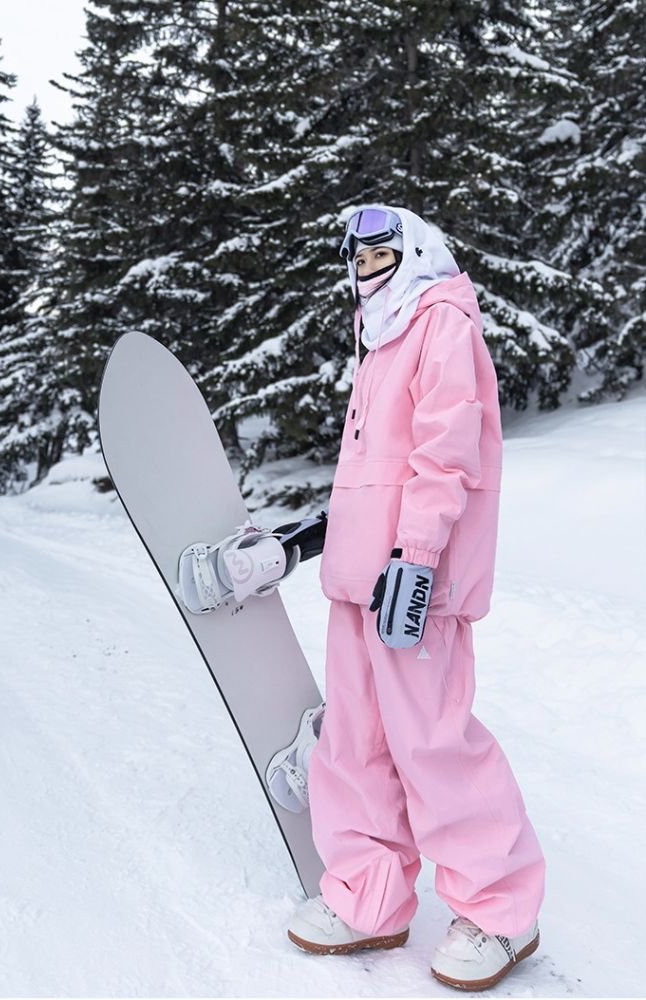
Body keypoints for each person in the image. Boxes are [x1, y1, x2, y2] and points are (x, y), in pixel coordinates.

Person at [282, 205, 546, 991]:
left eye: (380, 256)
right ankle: (369, 896)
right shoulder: (381, 338)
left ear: (417, 251)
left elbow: (447, 453)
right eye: (357, 261)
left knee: (431, 741)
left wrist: (418, 556)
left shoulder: (441, 321)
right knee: (355, 741)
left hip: (411, 579)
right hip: (359, 578)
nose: (367, 272)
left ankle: (502, 909)